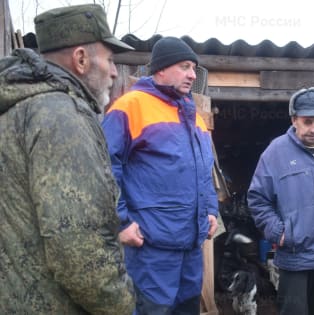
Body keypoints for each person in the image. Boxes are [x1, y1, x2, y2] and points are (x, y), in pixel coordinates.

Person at [0, 4, 136, 315]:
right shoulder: (62, 116)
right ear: (81, 59)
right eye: (111, 60)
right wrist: (121, 304)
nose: (115, 72)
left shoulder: (16, 108)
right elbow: (78, 251)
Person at [102, 36, 218, 314]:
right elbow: (104, 167)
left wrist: (211, 209)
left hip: (191, 247)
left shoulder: (195, 117)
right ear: (161, 69)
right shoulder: (131, 106)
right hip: (151, 247)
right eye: (185, 66)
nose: (192, 74)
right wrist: (121, 223)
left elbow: (204, 170)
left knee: (187, 308)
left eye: (193, 68)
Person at [247, 87, 314, 315]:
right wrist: (280, 232)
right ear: (294, 120)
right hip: (297, 255)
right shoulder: (275, 152)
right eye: (308, 122)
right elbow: (258, 199)